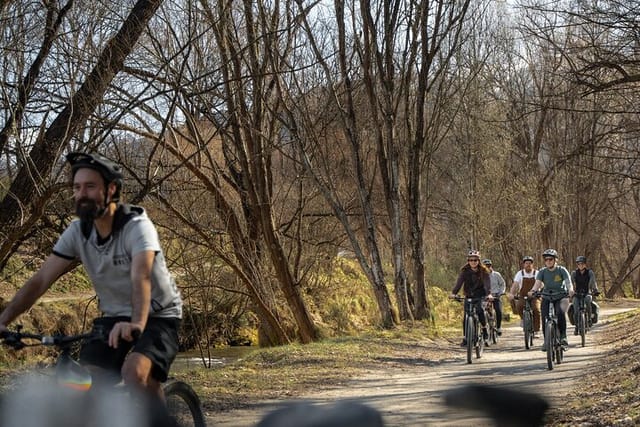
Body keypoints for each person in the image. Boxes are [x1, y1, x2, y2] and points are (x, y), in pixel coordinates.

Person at [0, 152, 183, 408]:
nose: (81, 194)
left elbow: (141, 276)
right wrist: (4, 319)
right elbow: (40, 280)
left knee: (135, 374)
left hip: (157, 315)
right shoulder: (77, 232)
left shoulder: (137, 226)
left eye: (90, 186)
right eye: (77, 187)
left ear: (111, 189)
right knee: (84, 383)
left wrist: (136, 324)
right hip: (113, 317)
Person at [528, 249, 573, 350]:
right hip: (547, 296)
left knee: (560, 313)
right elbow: (537, 284)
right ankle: (546, 341)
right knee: (544, 317)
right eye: (546, 259)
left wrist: (570, 290)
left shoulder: (562, 270)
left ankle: (563, 337)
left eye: (550, 259)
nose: (548, 261)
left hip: (561, 296)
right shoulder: (542, 272)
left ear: (555, 260)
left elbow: (568, 282)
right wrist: (533, 291)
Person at [450, 250, 493, 347]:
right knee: (466, 315)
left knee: (480, 310)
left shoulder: (484, 271)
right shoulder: (465, 271)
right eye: (471, 260)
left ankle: (485, 330)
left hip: (480, 295)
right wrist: (454, 293)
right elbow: (459, 283)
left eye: (475, 260)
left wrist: (489, 294)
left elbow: (487, 284)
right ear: (468, 261)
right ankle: (466, 337)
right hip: (469, 295)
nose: (473, 262)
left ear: (478, 261)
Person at [508, 256, 541, 336]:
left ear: (532, 265)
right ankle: (523, 319)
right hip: (523, 295)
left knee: (536, 310)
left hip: (534, 295)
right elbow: (515, 284)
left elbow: (540, 283)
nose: (528, 265)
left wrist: (539, 291)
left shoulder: (536, 273)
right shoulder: (520, 273)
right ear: (524, 265)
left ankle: (536, 330)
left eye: (530, 263)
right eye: (526, 263)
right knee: (519, 305)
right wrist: (512, 293)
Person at [570, 256, 600, 334]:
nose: (580, 265)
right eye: (579, 264)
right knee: (575, 308)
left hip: (587, 292)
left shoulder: (589, 272)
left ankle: (589, 319)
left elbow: (593, 282)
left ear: (585, 264)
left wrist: (595, 290)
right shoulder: (574, 273)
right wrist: (570, 291)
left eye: (582, 264)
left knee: (588, 301)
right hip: (577, 294)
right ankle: (576, 326)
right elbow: (570, 283)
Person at [482, 259, 506, 335]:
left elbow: (502, 284)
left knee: (498, 311)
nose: (487, 267)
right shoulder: (480, 275)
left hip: (496, 295)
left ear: (491, 266)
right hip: (485, 296)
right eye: (485, 266)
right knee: (481, 311)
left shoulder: (496, 275)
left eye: (489, 266)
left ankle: (498, 327)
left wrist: (501, 292)